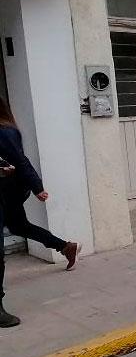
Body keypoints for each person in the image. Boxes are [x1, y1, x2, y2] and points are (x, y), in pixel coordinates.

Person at [0, 97, 82, 327]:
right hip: (9, 191)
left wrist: (38, 188)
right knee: (19, 226)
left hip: (8, 192)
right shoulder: (7, 129)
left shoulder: (5, 132)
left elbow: (21, 161)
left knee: (14, 230)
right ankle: (66, 246)